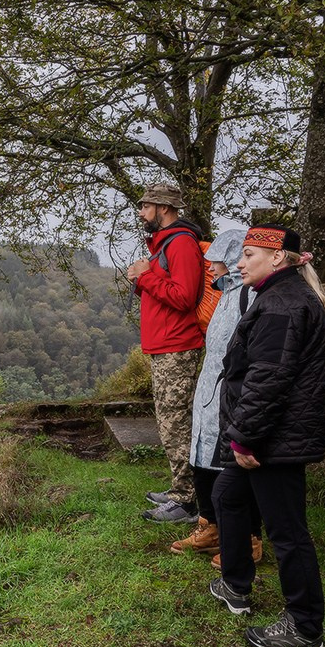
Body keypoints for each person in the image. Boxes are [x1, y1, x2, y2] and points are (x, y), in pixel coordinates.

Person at [207, 225, 325, 647]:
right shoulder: (279, 298)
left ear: (277, 258)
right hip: (270, 434)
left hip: (273, 440)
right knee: (228, 495)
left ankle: (305, 626)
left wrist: (243, 440)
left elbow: (268, 380)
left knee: (287, 532)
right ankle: (236, 585)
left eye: (248, 255)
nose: (240, 263)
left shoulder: (282, 305)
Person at [169, 229, 264, 563]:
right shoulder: (227, 294)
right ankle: (211, 528)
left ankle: (249, 539)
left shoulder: (248, 297)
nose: (210, 268)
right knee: (204, 459)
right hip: (211, 390)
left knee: (231, 466)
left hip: (230, 394)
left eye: (218, 261)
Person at [125, 183, 205, 524]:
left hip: (179, 346)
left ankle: (187, 502)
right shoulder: (164, 245)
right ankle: (180, 489)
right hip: (166, 345)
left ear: (164, 208)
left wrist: (145, 279)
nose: (141, 213)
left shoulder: (181, 244)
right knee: (170, 421)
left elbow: (185, 296)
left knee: (177, 422)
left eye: (146, 207)